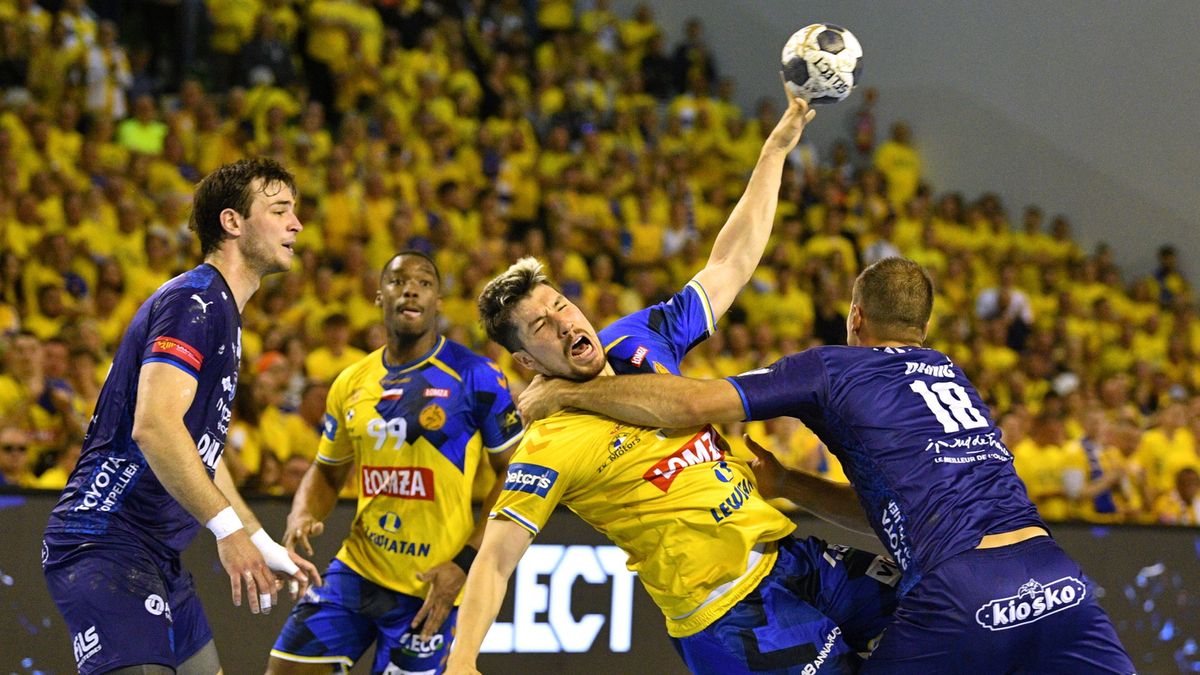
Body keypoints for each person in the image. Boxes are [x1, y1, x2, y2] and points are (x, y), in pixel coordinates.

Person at [448, 92, 901, 675]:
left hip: (790, 556)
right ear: (526, 362)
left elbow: (730, 264)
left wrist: (774, 151)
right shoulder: (550, 442)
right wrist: (462, 661)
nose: (563, 323)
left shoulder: (634, 339)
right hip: (729, 613)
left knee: (939, 615)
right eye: (541, 327)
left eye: (560, 305)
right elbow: (495, 559)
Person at [519, 257, 1134, 673]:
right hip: (1057, 578)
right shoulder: (952, 375)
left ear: (855, 317)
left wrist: (568, 393)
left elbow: (689, 404)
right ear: (922, 327)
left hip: (959, 590)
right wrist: (789, 483)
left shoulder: (831, 368)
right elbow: (892, 513)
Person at [41, 158, 321, 675]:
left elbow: (202, 454)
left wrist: (256, 537)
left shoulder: (222, 311)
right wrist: (227, 533)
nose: (296, 224)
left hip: (157, 555)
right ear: (232, 222)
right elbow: (156, 427)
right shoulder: (195, 301)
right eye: (280, 210)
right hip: (106, 539)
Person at [267, 251, 525, 675]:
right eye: (398, 280)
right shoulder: (351, 382)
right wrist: (303, 513)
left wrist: (465, 564)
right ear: (378, 296)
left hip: (432, 586)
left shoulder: (477, 375)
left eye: (424, 282)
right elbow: (327, 470)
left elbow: (514, 473)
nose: (410, 290)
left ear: (438, 301)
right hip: (357, 571)